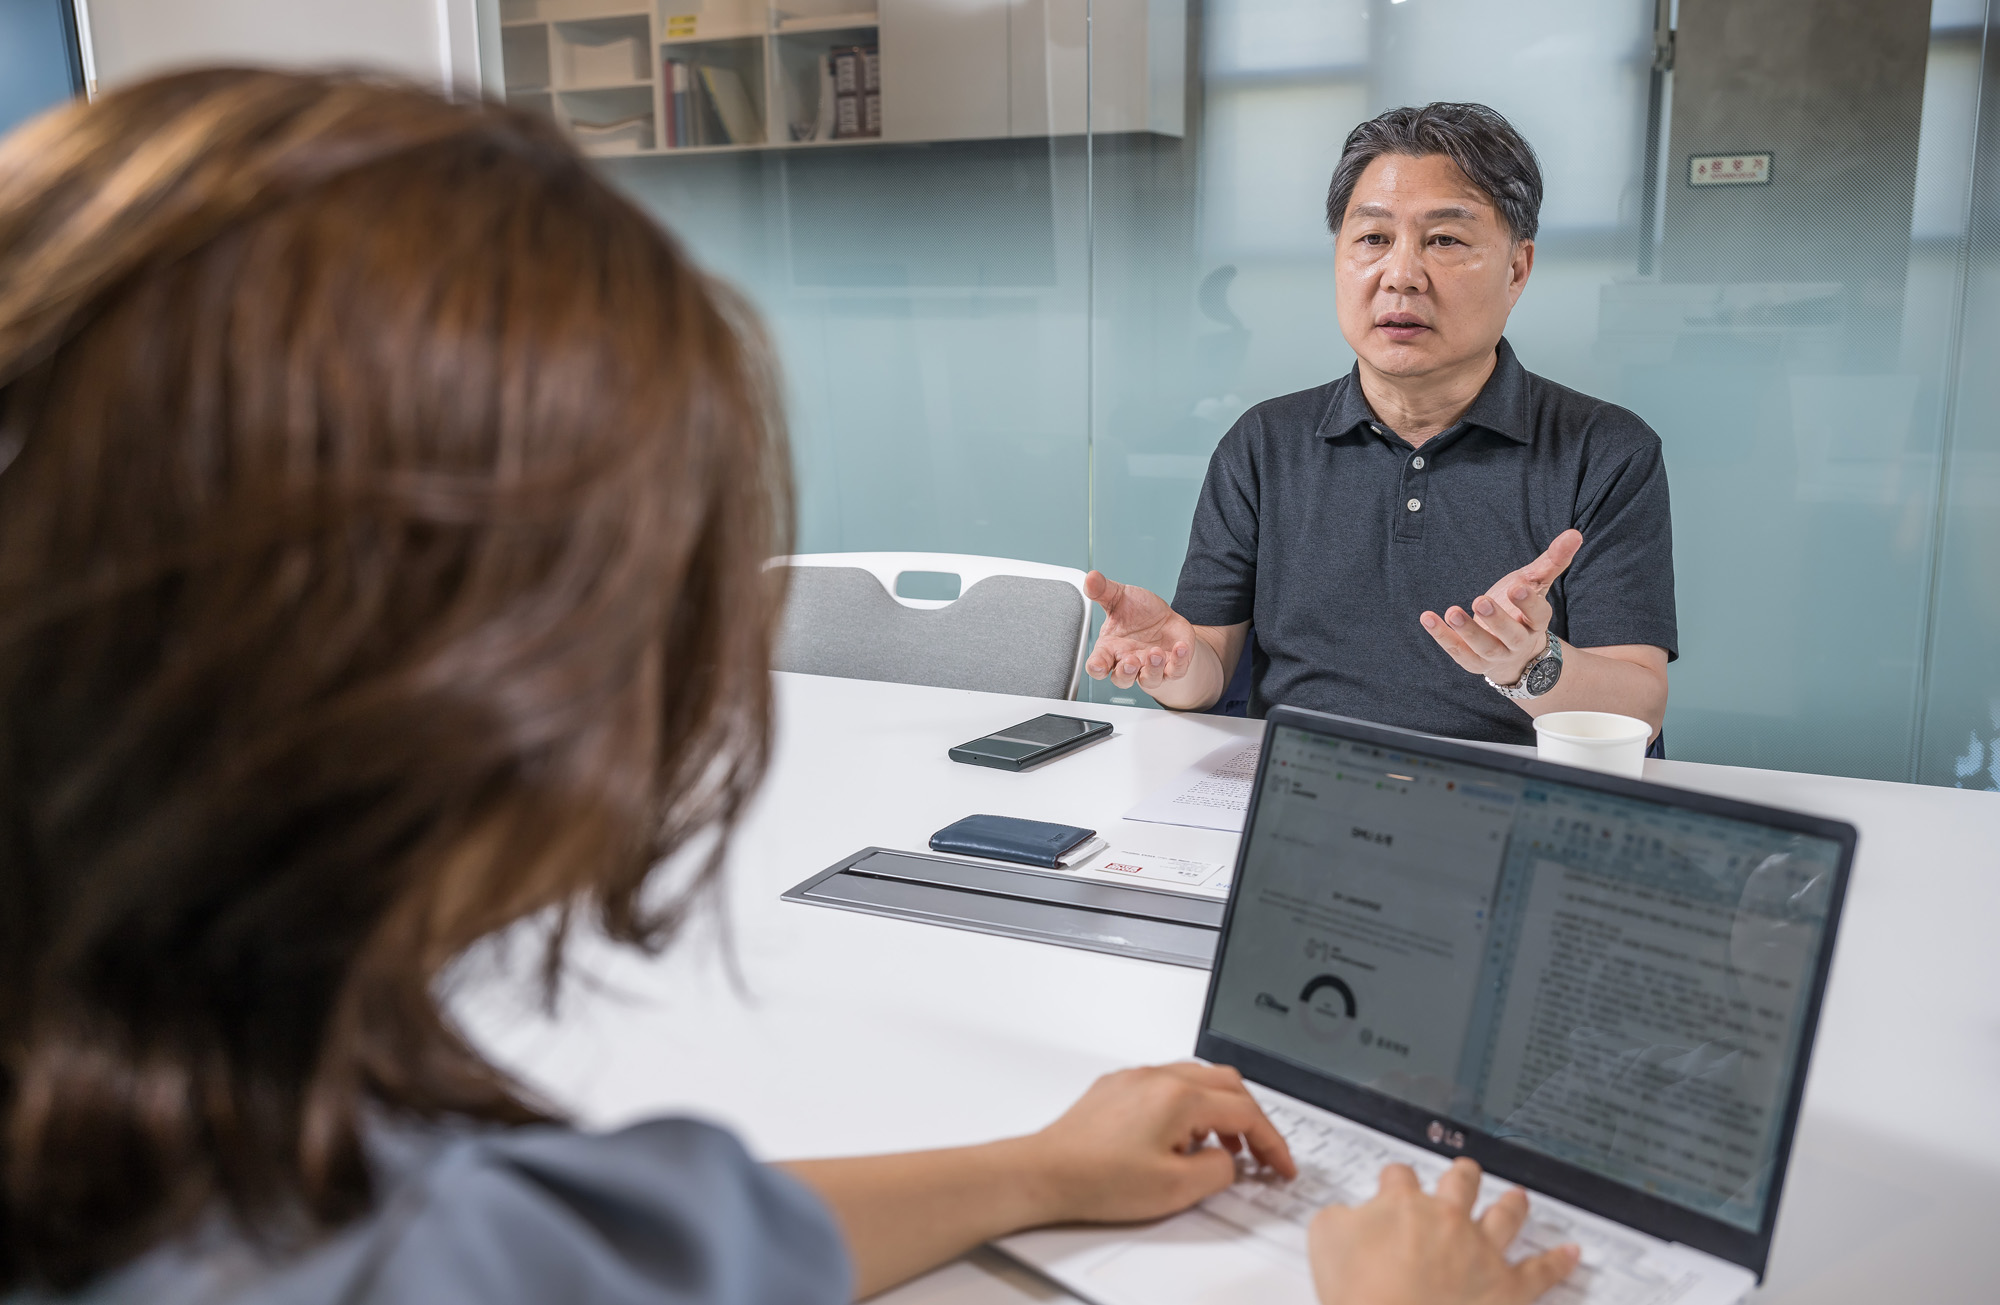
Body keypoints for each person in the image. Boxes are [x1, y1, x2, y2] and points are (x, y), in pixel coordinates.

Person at [0, 71, 1578, 1304]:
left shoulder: (221, 1140)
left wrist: (1031, 1167)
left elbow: (600, 1243)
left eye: (1440, 235)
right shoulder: (322, 1244)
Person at [1086, 103, 1677, 747]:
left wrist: (1528, 665)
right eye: (1372, 239)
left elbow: (1641, 705)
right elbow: (1207, 670)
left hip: (1501, 803)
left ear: (1517, 269)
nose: (1401, 276)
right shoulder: (1263, 443)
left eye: (1444, 240)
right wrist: (1171, 660)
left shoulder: (1606, 450)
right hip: (1298, 795)